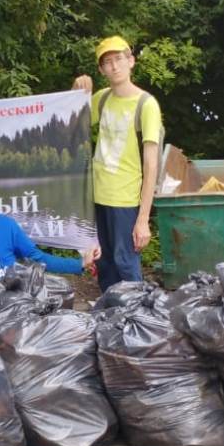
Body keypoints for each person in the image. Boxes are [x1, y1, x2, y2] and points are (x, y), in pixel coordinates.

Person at [72, 35, 162, 292]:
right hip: (96, 197)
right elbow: (70, 125)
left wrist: (143, 219)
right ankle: (110, 317)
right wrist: (76, 93)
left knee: (126, 264)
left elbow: (151, 165)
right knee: (105, 263)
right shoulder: (100, 99)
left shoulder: (146, 104)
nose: (114, 66)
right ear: (101, 69)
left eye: (119, 59)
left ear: (131, 61)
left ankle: (137, 322)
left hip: (125, 200)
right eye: (107, 62)